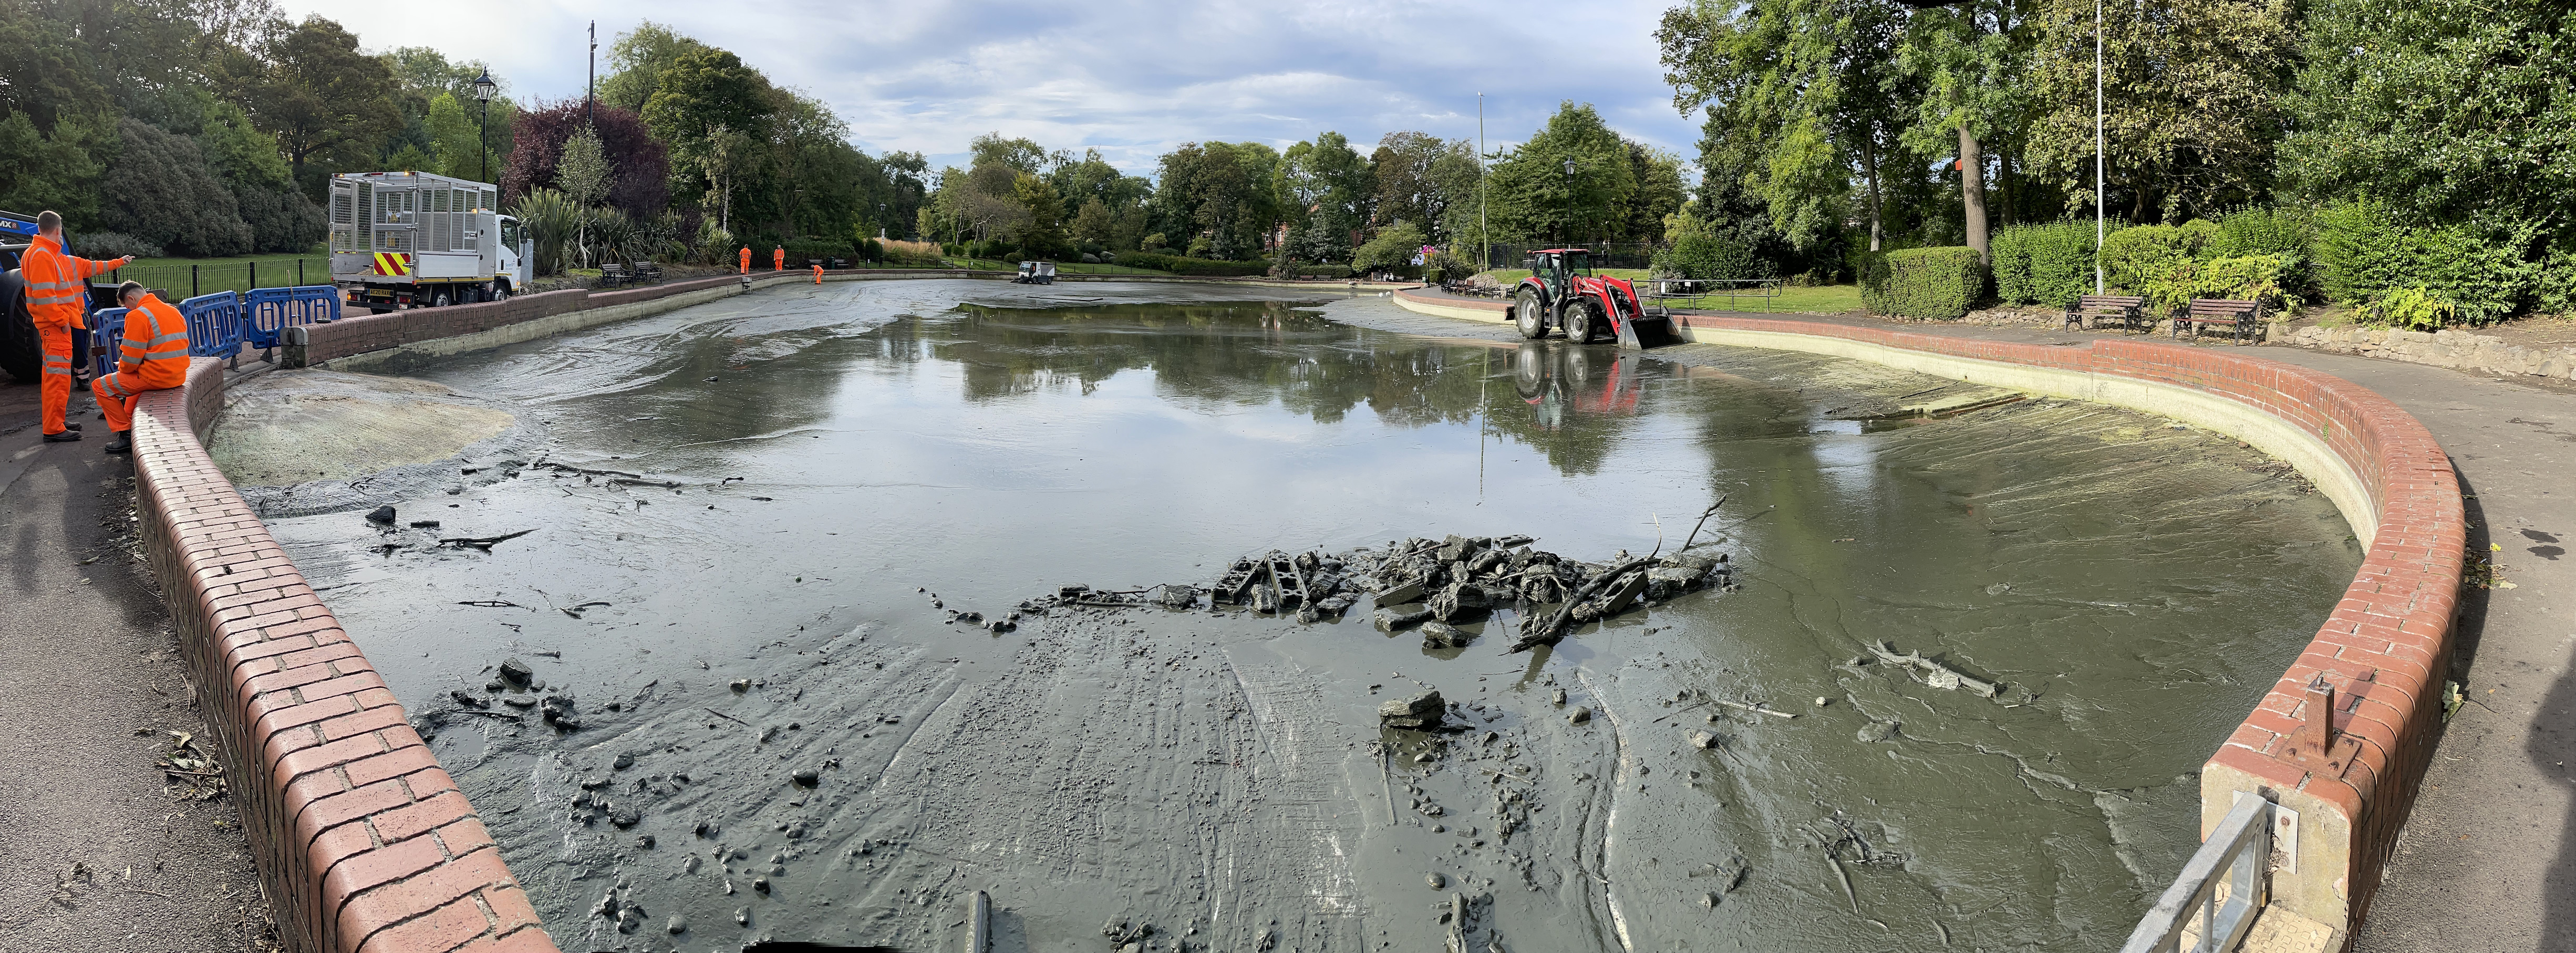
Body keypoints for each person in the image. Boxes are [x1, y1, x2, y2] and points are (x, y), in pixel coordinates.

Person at [22, 211, 133, 443]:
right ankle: (54, 428)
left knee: (57, 379)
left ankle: (56, 421)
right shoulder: (44, 256)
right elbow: (45, 298)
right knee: (57, 380)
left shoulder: (41, 254)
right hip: (56, 327)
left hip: (54, 326)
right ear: (58, 230)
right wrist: (63, 322)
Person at [90, 281, 188, 455]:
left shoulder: (138, 316)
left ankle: (125, 436)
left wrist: (122, 367)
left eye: (128, 306)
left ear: (131, 298)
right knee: (131, 388)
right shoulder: (172, 310)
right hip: (178, 376)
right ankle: (130, 425)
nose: (128, 310)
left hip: (156, 377)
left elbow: (130, 361)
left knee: (100, 386)